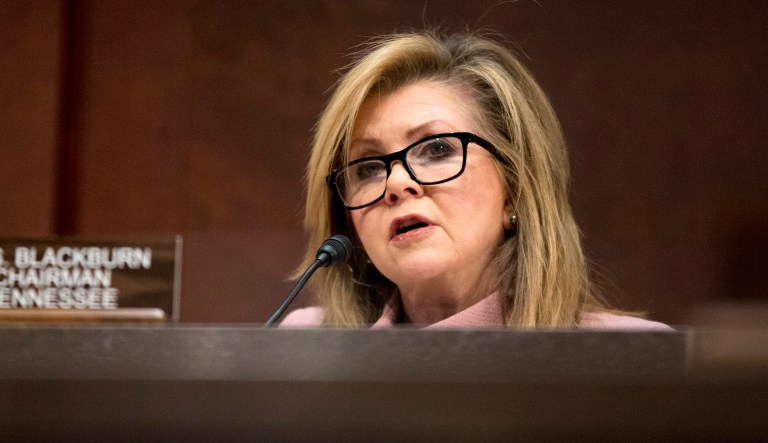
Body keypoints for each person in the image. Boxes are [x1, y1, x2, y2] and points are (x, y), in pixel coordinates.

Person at [280, 30, 670, 330]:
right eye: (368, 168)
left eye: (436, 150)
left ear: (514, 191)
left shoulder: (632, 360)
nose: (397, 184)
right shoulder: (305, 346)